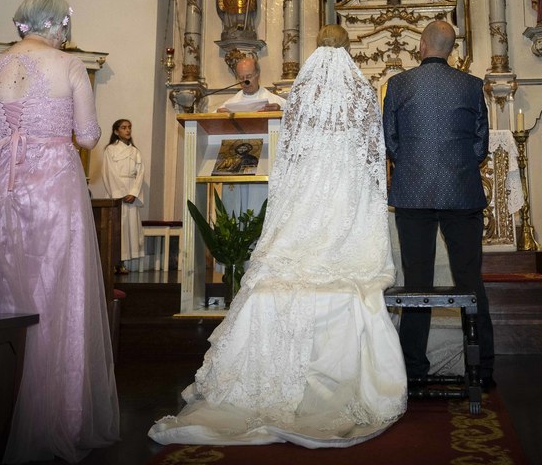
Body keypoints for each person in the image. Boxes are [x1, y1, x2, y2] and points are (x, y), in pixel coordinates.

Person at [150, 24, 407, 447]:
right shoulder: (361, 92)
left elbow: (290, 156)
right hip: (345, 189)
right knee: (339, 243)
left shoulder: (303, 95)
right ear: (347, 51)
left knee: (296, 248)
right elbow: (370, 155)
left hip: (309, 190)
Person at [0, 0, 119, 462]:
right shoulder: (68, 66)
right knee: (57, 294)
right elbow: (89, 136)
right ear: (57, 25)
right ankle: (57, 417)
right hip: (53, 186)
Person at [382, 20, 494, 388]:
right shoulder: (472, 85)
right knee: (469, 280)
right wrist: (458, 169)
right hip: (461, 191)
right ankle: (483, 368)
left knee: (417, 281)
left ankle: (414, 366)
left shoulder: (398, 85)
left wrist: (414, 167)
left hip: (413, 192)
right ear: (451, 49)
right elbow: (481, 144)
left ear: (421, 45)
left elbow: (391, 142)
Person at [102, 118, 144, 275]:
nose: (127, 130)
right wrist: (120, 192)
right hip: (117, 192)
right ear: (116, 131)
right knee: (116, 227)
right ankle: (113, 262)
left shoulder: (135, 152)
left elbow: (140, 174)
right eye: (124, 127)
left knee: (129, 228)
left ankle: (123, 263)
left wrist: (133, 192)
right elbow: (109, 172)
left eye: (129, 128)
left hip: (131, 191)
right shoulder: (110, 150)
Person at [216, 54, 285, 112]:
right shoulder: (230, 104)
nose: (245, 81)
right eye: (241, 78)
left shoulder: (274, 101)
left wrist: (280, 112)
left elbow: (293, 116)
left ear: (257, 75)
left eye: (249, 76)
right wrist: (218, 116)